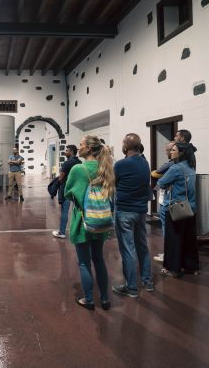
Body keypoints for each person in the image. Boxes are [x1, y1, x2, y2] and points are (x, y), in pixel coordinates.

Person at [64, 136, 114, 310]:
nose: (79, 148)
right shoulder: (104, 167)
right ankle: (106, 298)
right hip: (100, 218)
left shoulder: (78, 169)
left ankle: (89, 299)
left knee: (84, 262)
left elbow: (67, 192)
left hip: (83, 219)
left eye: (81, 144)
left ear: (89, 149)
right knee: (99, 259)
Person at [112, 133, 153, 298]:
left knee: (128, 249)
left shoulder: (121, 164)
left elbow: (113, 184)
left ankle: (131, 287)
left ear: (125, 146)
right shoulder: (145, 163)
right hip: (141, 211)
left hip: (124, 212)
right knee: (142, 246)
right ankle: (147, 281)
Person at [157, 142, 199, 278]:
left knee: (173, 239)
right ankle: (190, 267)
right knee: (189, 239)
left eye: (174, 150)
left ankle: (172, 268)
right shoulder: (191, 166)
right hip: (191, 208)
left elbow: (161, 183)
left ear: (181, 153)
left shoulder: (175, 168)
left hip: (177, 208)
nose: (171, 152)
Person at [151, 141, 176, 262]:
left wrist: (159, 176)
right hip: (171, 200)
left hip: (167, 199)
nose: (168, 152)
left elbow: (156, 174)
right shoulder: (181, 165)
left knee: (167, 227)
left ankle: (168, 254)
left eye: (170, 150)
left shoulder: (172, 165)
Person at [52, 145, 80, 239]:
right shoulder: (80, 162)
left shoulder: (67, 163)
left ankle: (62, 232)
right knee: (77, 211)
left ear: (71, 151)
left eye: (67, 150)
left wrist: (56, 185)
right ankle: (78, 231)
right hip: (77, 190)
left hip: (66, 190)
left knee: (64, 211)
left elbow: (61, 178)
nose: (65, 152)